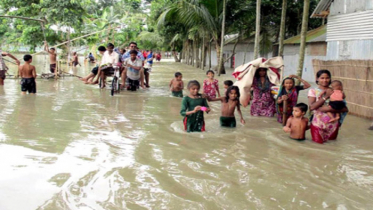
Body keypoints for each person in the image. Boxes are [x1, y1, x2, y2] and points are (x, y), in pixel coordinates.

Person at [308, 69, 348, 144]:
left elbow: (345, 109)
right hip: (318, 124)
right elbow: (312, 107)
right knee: (317, 147)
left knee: (332, 147)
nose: (325, 80)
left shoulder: (336, 91)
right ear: (317, 79)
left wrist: (325, 109)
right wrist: (326, 96)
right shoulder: (313, 91)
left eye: (327, 78)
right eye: (322, 78)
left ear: (330, 79)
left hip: (333, 125)